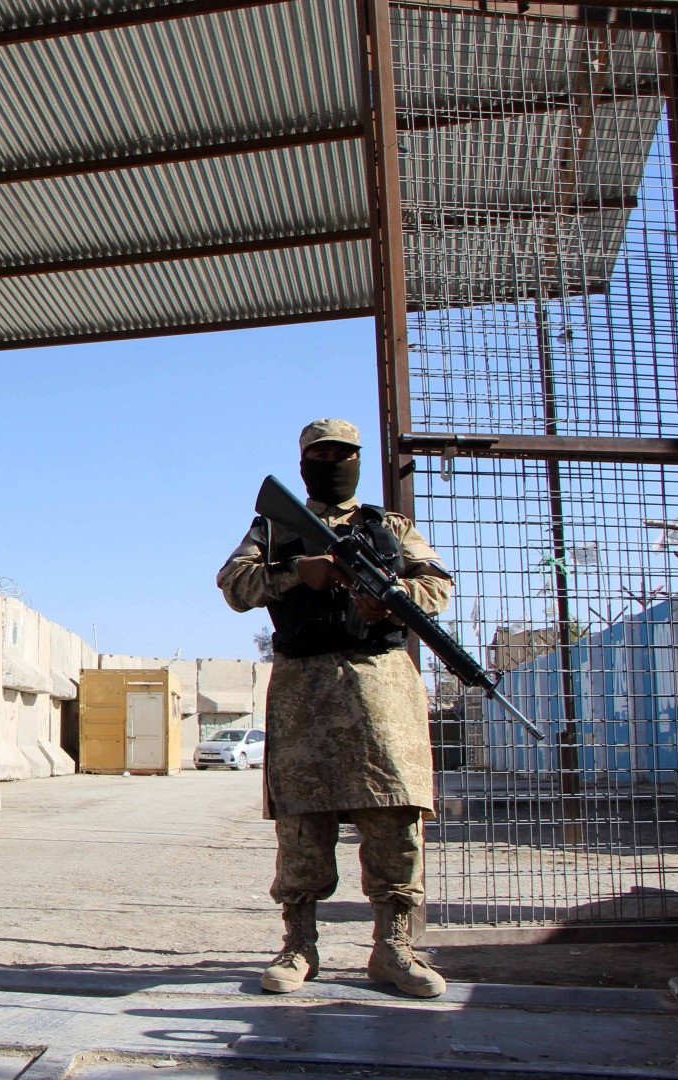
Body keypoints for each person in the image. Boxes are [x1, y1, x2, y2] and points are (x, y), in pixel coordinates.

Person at [216, 418, 453, 998]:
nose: (331, 463)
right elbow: (234, 584)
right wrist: (297, 571)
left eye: (342, 454)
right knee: (302, 824)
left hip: (382, 692)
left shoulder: (389, 527)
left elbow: (437, 585)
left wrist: (391, 601)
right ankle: (299, 946)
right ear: (303, 463)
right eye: (321, 455)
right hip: (304, 693)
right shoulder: (274, 527)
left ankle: (393, 949)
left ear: (357, 460)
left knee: (395, 817)